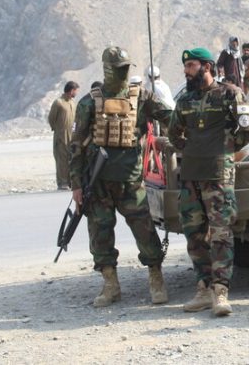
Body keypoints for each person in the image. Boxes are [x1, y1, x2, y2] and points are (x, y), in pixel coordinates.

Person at [69, 47, 171, 308]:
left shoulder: (142, 97)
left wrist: (185, 134)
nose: (123, 73)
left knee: (145, 231)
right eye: (118, 68)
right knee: (100, 233)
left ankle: (156, 278)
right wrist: (76, 185)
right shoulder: (88, 103)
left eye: (126, 68)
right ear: (107, 69)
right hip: (98, 184)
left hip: (130, 181)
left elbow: (170, 117)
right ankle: (110, 284)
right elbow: (76, 146)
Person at [168, 47, 249, 317]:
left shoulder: (230, 94)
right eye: (185, 66)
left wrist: (224, 150)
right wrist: (192, 148)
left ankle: (220, 291)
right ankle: (204, 288)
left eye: (191, 66)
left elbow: (247, 129)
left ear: (206, 66)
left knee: (220, 234)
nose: (186, 71)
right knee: (194, 235)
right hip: (191, 175)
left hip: (218, 175)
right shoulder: (186, 99)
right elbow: (173, 133)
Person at [49, 81, 79, 190]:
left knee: (71, 158)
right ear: (71, 90)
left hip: (72, 135)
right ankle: (62, 183)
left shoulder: (73, 103)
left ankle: (70, 182)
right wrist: (59, 130)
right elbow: (51, 119)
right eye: (76, 91)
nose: (77, 93)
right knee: (62, 160)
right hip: (61, 136)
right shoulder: (58, 103)